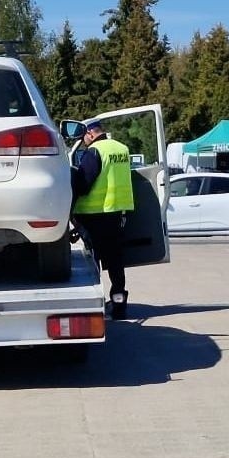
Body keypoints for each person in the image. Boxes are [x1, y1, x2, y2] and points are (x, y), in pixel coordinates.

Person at [71, 118, 134, 319]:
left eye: (84, 138)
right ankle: (119, 304)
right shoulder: (121, 148)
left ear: (90, 133)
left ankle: (94, 303)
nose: (84, 142)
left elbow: (83, 183)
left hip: (93, 214)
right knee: (115, 260)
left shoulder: (94, 151)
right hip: (116, 212)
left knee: (92, 261)